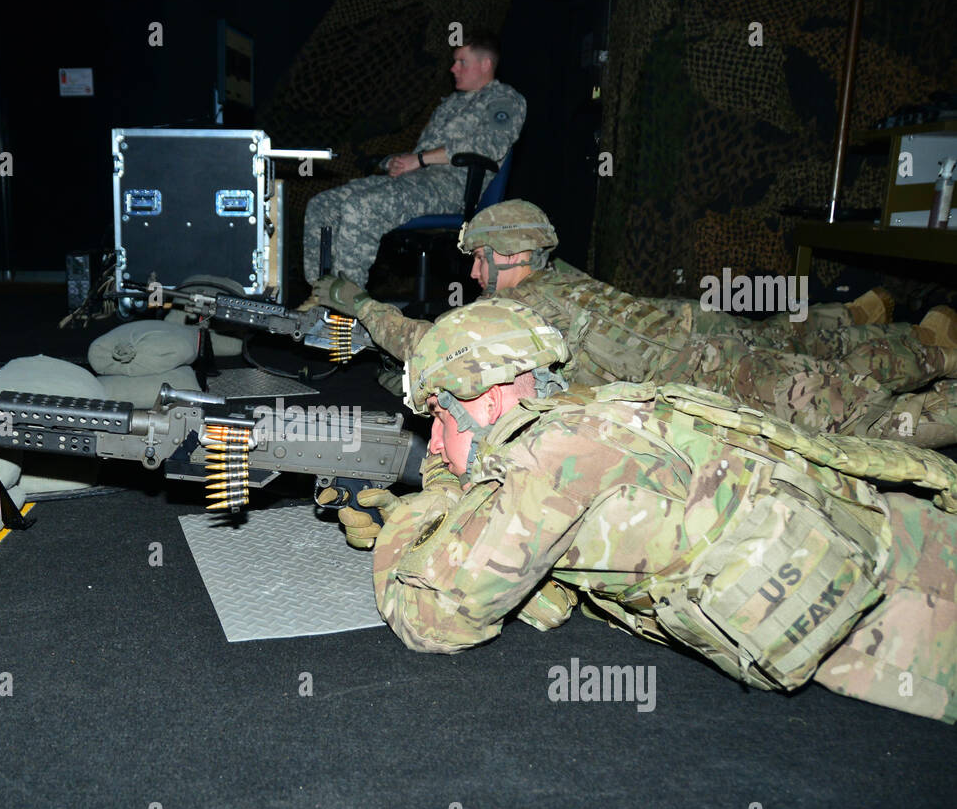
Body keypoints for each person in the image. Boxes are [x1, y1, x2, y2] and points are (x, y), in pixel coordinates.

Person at [333, 299, 957, 723]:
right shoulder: (582, 411)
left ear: (489, 397)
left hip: (909, 613)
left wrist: (415, 516)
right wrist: (448, 494)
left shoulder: (548, 463)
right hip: (900, 533)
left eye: (440, 419)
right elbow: (543, 588)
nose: (435, 443)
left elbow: (431, 618)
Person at [312, 199, 957, 447]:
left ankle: (933, 356)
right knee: (806, 342)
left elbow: (428, 342)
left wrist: (357, 302)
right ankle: (913, 337)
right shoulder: (557, 280)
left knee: (875, 424)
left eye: (479, 260)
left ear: (509, 256)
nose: (474, 274)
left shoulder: (521, 310)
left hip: (724, 379)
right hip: (706, 334)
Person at [301, 30, 526, 286]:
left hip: (452, 190)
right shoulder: (450, 104)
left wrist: (418, 160)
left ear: (485, 64)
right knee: (322, 205)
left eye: (461, 61)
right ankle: (321, 295)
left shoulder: (505, 100)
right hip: (417, 182)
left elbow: (488, 146)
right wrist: (398, 162)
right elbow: (422, 155)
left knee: (361, 207)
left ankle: (348, 306)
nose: (453, 68)